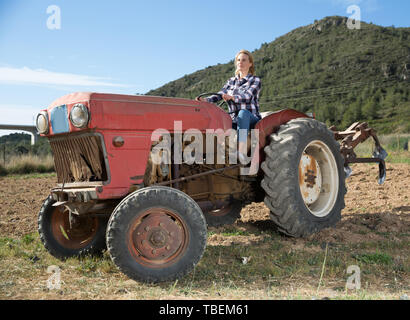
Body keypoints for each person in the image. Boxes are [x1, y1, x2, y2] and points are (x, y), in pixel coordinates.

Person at [196, 49, 261, 161]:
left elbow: (248, 97)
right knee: (216, 119)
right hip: (234, 119)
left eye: (244, 60)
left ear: (250, 63)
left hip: (251, 118)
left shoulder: (255, 80)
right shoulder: (231, 81)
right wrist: (205, 100)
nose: (240, 62)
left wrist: (233, 97)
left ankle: (241, 152)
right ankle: (210, 154)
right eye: (239, 60)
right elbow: (220, 95)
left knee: (243, 113)